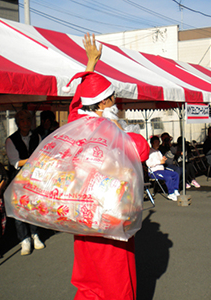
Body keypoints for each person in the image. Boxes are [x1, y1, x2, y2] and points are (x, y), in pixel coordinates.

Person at [62, 32, 149, 300]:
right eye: (113, 98)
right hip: (110, 217)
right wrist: (120, 128)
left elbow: (79, 102)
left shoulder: (75, 124)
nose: (117, 103)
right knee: (116, 280)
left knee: (88, 279)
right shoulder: (115, 135)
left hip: (81, 215)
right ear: (104, 103)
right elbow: (142, 150)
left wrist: (91, 65)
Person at [5, 110, 45, 255]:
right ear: (17, 123)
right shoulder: (11, 140)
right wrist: (33, 160)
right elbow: (15, 162)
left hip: (34, 177)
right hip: (18, 178)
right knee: (19, 209)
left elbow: (42, 154)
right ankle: (24, 239)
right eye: (22, 120)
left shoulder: (37, 136)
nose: (26, 123)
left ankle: (35, 234)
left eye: (28, 120)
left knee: (33, 206)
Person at [146, 136, 180, 201]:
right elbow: (148, 164)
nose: (157, 143)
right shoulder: (150, 152)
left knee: (175, 174)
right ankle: (171, 193)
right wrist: (159, 162)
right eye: (156, 142)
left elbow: (161, 161)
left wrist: (163, 159)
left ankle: (175, 189)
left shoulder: (158, 151)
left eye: (158, 142)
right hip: (154, 171)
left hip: (162, 170)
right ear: (152, 143)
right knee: (168, 177)